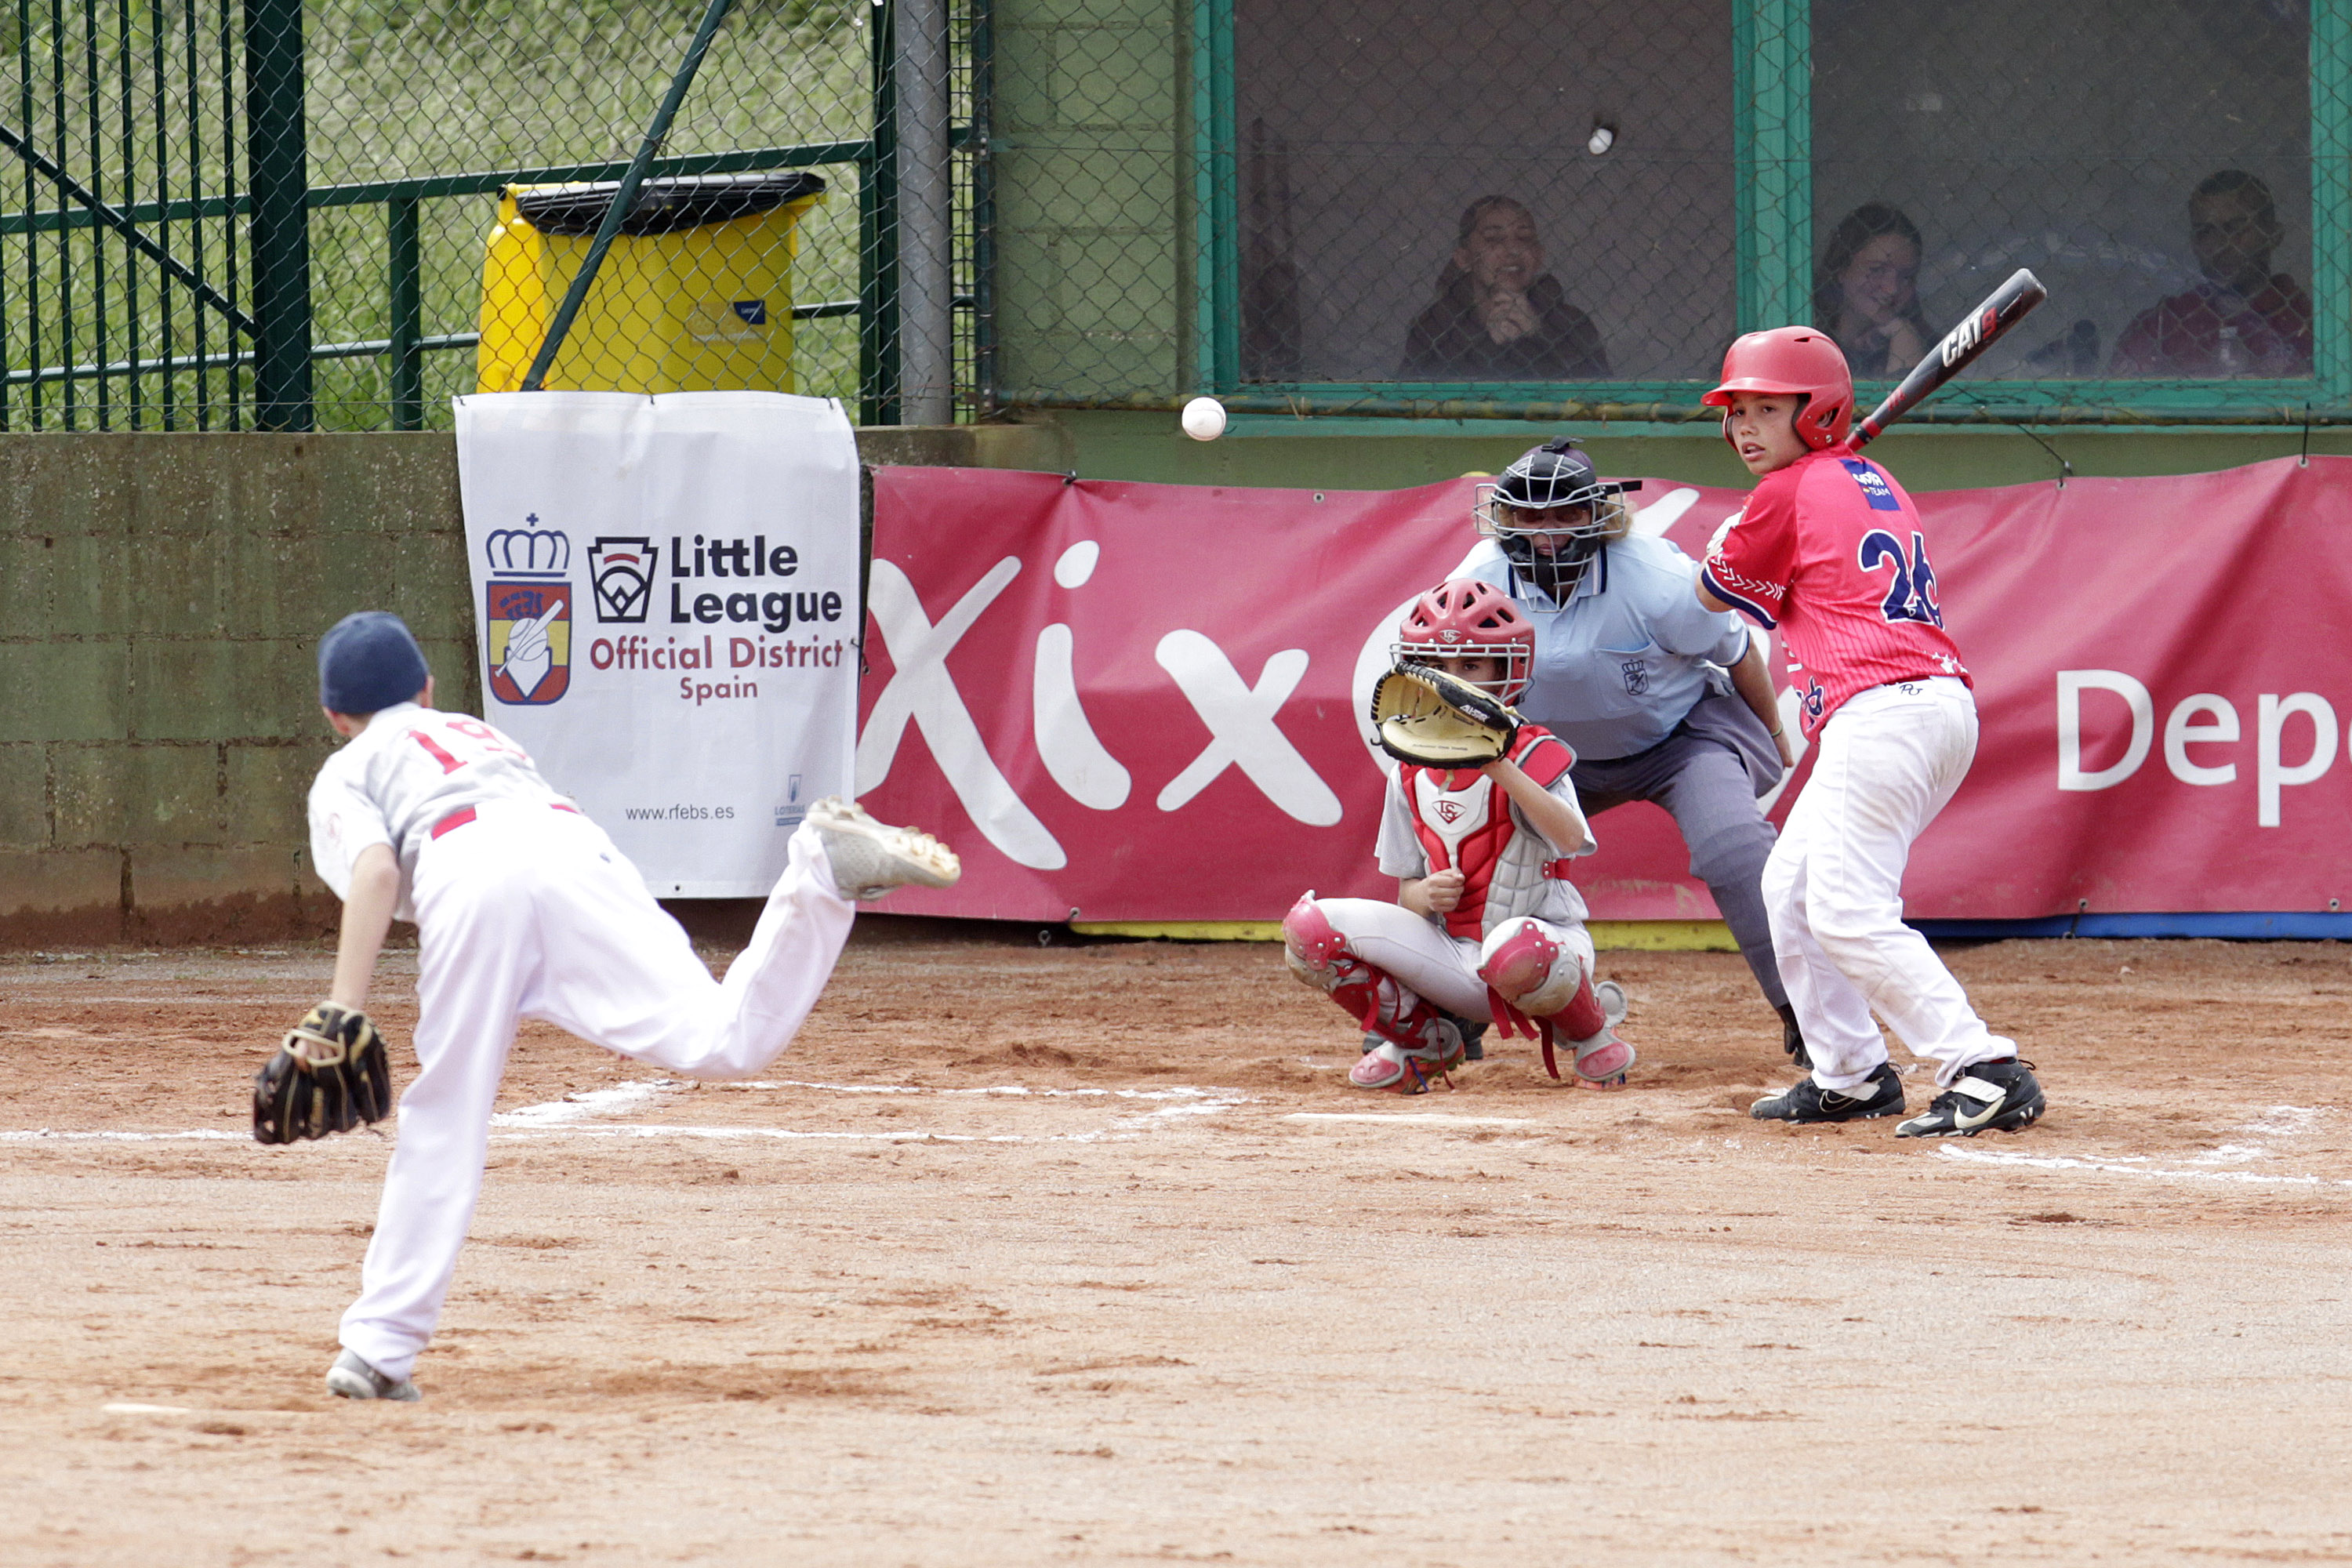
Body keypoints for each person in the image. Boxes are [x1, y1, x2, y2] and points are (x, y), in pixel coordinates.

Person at [298, 612, 960, 1402]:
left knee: (444, 1117)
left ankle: (378, 1350)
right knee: (723, 1037)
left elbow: (375, 873)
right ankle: (818, 869)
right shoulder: (475, 732)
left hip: (466, 866)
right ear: (428, 688)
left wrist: (340, 1008)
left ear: (336, 717)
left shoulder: (347, 768)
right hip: (572, 844)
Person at [1693, 327, 2044, 1138]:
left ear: (1817, 412)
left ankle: (1980, 1065)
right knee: (1791, 889)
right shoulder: (1867, 474)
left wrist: (1730, 530)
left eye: (1766, 410)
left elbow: (1715, 592)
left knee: (1847, 909)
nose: (1744, 428)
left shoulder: (1788, 491)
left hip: (1884, 710)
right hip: (1925, 707)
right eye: (1736, 410)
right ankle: (1849, 1073)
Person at [1465, 440, 1805, 1065]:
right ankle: (1452, 1011)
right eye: (1530, 516)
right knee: (1470, 854)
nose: (1545, 532)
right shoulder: (1480, 577)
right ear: (1504, 517)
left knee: (1735, 849)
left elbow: (1736, 654)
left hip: (1681, 737)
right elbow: (1462, 680)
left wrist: (1775, 736)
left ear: (1599, 514)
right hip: (1553, 757)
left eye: (1564, 514)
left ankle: (1806, 1012)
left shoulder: (1658, 575)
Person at [1283, 580, 1635, 1094]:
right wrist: (1425, 895)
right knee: (1311, 930)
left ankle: (1589, 1030)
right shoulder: (1407, 767)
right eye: (1439, 666)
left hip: (1544, 950)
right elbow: (1407, 895)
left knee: (1512, 947)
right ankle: (1425, 1040)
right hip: (1454, 954)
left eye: (1472, 666)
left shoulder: (1534, 751)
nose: (1453, 684)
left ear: (1506, 669)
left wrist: (1498, 766)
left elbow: (1569, 839)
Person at [2111, 169, 2311, 378]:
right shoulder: (2162, 324)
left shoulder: (2306, 323)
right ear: (2193, 243)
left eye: (2235, 228)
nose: (2220, 244)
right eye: (2205, 231)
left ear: (2273, 236)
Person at [1401, 196, 1610, 380]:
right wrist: (1488, 345)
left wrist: (1540, 334)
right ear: (1464, 258)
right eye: (1494, 239)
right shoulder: (1435, 325)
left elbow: (1599, 396)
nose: (1513, 250)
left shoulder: (1571, 324)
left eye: (1524, 238)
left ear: (1539, 255)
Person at [1813, 203, 1933, 377]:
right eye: (1877, 270)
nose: (1892, 289)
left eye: (1906, 277)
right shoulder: (1809, 344)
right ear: (1842, 270)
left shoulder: (1932, 347)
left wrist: (1902, 334)